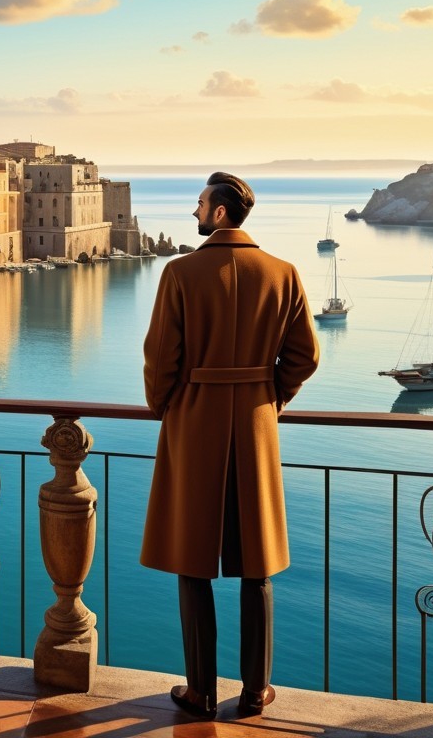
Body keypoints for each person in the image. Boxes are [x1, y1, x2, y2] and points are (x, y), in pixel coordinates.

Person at [140, 172, 319, 720]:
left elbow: (160, 359)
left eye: (199, 204)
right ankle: (255, 691)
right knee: (255, 563)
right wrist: (271, 396)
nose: (194, 211)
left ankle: (200, 692)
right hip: (256, 424)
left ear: (219, 213)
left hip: (195, 421)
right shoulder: (284, 273)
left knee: (193, 560)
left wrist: (166, 406)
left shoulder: (180, 272)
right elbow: (306, 356)